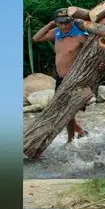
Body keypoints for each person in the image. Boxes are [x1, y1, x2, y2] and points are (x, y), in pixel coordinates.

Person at [32, 13, 90, 141]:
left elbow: (96, 50)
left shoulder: (80, 35)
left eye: (66, 23)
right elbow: (36, 38)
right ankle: (76, 134)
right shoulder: (57, 32)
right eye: (60, 23)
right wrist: (50, 24)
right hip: (60, 78)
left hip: (74, 79)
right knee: (63, 110)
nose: (64, 26)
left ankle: (73, 138)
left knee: (67, 111)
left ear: (72, 21)